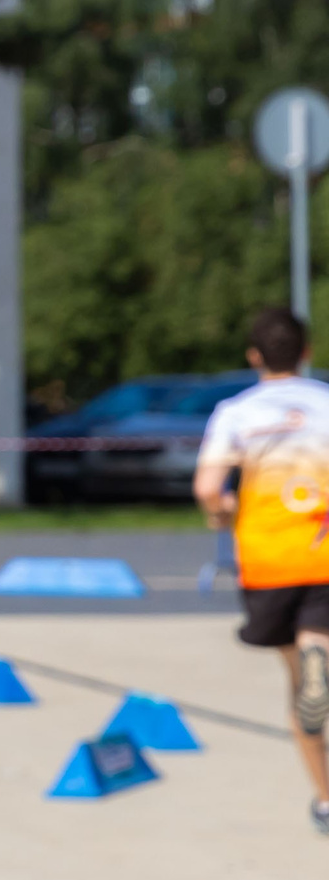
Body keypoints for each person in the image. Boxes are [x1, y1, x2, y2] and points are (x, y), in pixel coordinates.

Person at [193, 306, 329, 834]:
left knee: (299, 682)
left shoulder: (236, 412)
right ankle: (319, 658)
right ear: (306, 352)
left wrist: (221, 513)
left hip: (269, 561)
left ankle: (324, 797)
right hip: (324, 552)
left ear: (254, 357)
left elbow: (209, 488)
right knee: (321, 646)